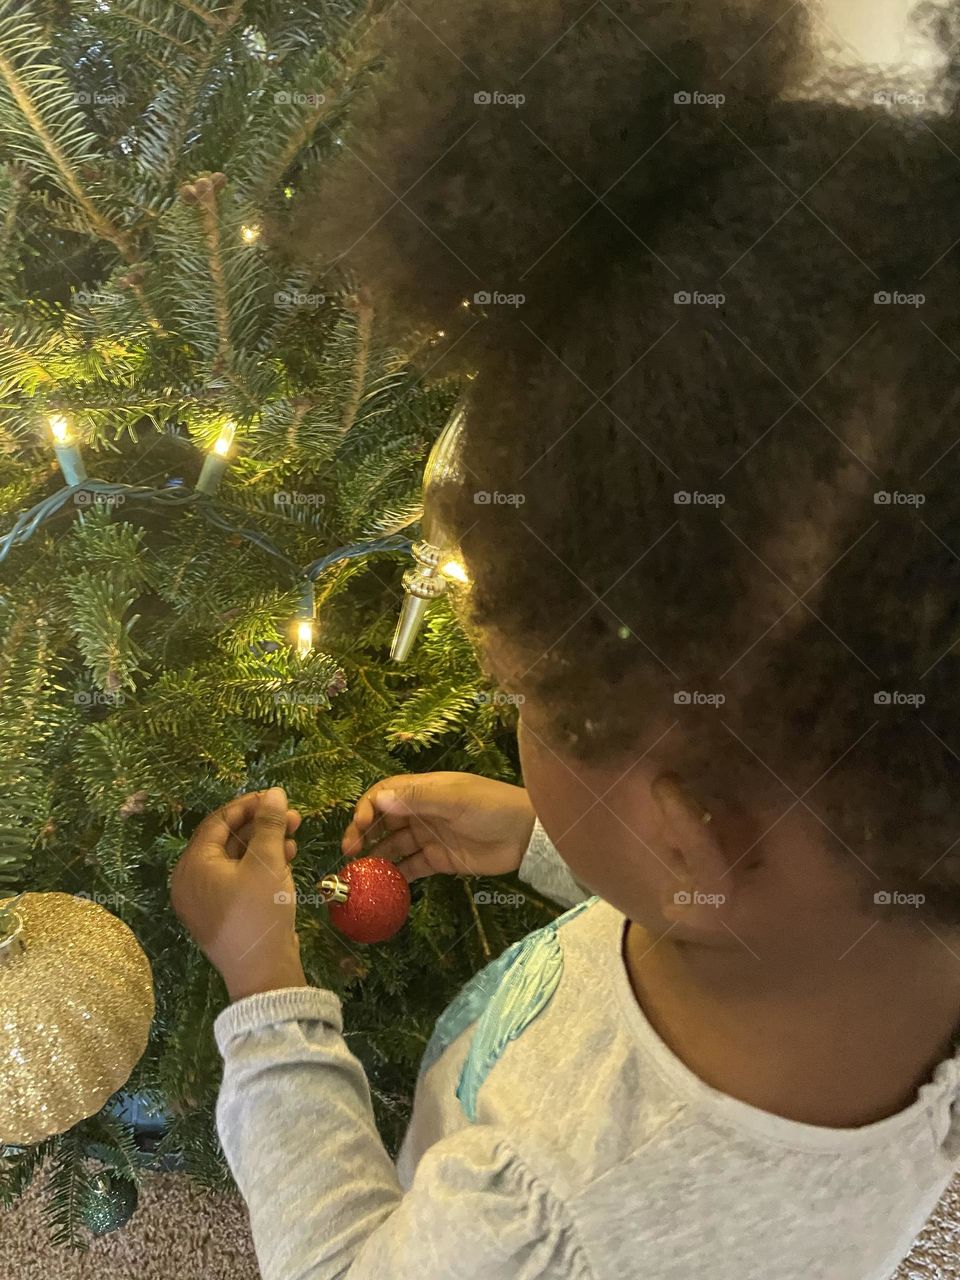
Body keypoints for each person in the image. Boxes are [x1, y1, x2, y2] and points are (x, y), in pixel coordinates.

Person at [171, 1, 960, 1276]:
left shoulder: (549, 1203)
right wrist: (550, 843)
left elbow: (339, 1266)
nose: (513, 722)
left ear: (686, 826)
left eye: (531, 700)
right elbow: (761, 887)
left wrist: (266, 993)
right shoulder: (890, 908)